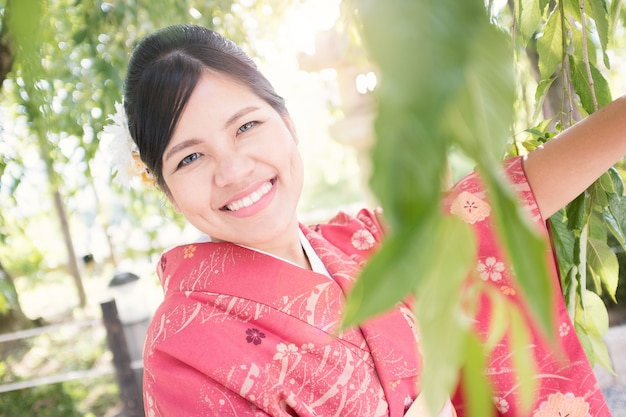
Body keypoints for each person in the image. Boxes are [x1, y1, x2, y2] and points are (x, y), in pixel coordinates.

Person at [114, 24, 625, 416]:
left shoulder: (360, 246)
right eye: (189, 158)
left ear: (287, 123)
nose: (233, 170)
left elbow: (499, 205)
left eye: (246, 126)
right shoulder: (182, 352)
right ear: (163, 186)